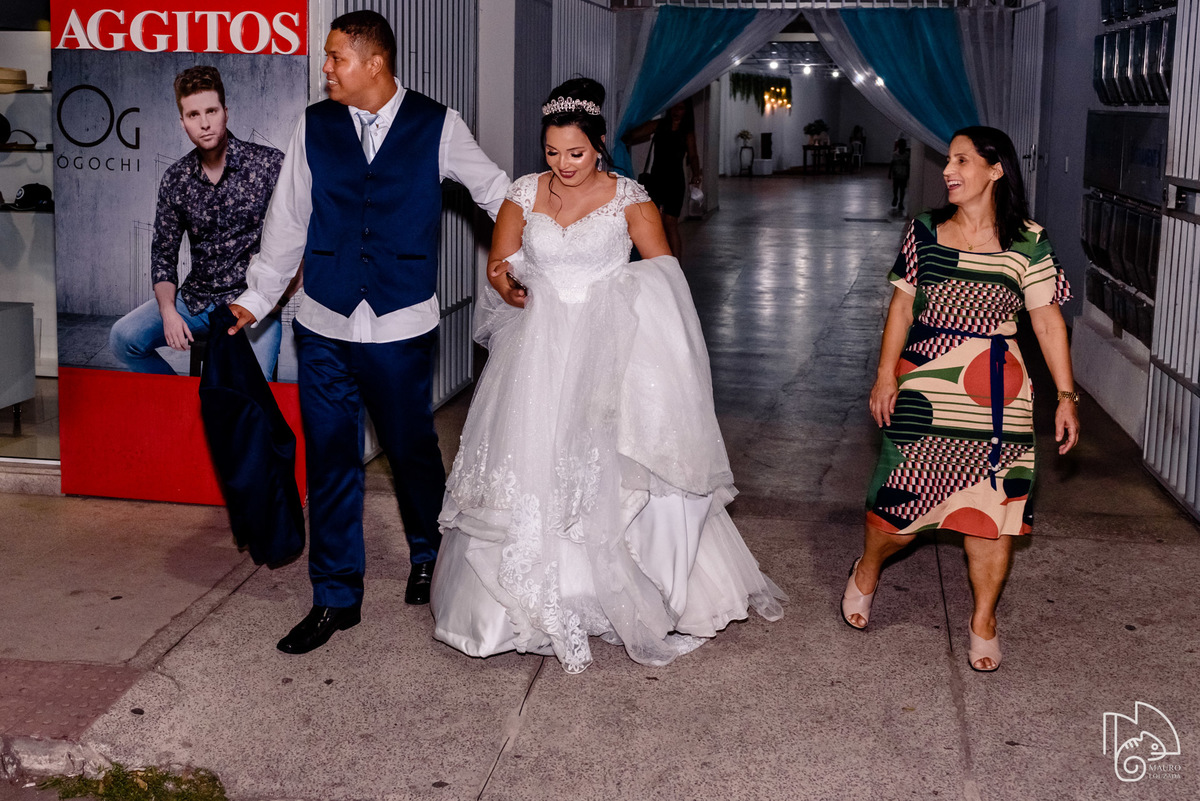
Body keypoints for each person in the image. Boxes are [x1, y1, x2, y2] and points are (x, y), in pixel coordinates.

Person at [430, 78, 784, 674]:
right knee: (530, 465)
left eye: (575, 152)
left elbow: (666, 275)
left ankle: (625, 589)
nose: (562, 165)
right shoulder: (522, 193)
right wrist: (505, 282)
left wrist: (627, 319)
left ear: (598, 145)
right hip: (538, 351)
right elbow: (498, 261)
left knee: (611, 467)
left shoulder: (629, 198)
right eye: (551, 153)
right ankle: (529, 601)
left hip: (611, 350)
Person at [226, 10, 509, 655]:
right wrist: (257, 298)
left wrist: (520, 256)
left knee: (411, 450)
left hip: (401, 321)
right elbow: (287, 218)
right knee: (329, 460)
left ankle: (428, 555)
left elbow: (495, 191)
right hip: (323, 321)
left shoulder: (438, 124)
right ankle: (335, 597)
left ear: (373, 62)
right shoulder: (314, 126)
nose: (324, 69)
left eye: (334, 58)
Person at [845, 126, 1079, 673]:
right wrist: (885, 377)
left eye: (962, 160)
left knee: (992, 515)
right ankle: (866, 571)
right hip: (924, 386)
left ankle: (983, 620)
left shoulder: (1030, 240)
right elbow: (901, 308)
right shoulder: (924, 230)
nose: (949, 170)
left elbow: (1046, 322)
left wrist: (1066, 396)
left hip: (999, 398)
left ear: (995, 171)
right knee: (895, 508)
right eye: (949, 160)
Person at [109, 66, 284, 378]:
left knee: (256, 391)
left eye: (211, 111)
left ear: (225, 112)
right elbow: (163, 253)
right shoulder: (176, 179)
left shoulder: (270, 165)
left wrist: (272, 299)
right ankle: (179, 407)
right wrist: (168, 311)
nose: (204, 123)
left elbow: (299, 239)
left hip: (253, 303)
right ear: (182, 122)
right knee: (123, 338)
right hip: (197, 301)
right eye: (193, 115)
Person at [622, 100, 701, 261]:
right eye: (673, 106)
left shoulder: (687, 132)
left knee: (670, 224)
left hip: (675, 181)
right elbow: (631, 135)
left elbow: (693, 155)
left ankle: (676, 267)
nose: (676, 111)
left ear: (687, 111)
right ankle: (654, 262)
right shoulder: (659, 125)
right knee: (652, 222)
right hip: (656, 179)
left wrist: (696, 173)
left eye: (680, 107)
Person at [888, 137, 910, 215]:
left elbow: (908, 165)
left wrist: (908, 174)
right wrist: (889, 173)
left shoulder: (907, 155)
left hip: (903, 175)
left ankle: (901, 202)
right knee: (895, 188)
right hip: (896, 174)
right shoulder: (895, 154)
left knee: (902, 189)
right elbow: (892, 163)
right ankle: (895, 197)